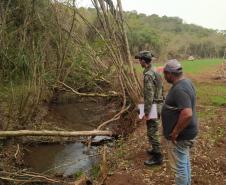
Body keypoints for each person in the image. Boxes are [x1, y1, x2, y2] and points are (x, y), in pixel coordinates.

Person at [161, 59, 198, 185]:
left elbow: (187, 113)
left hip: (181, 136)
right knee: (184, 161)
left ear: (170, 74)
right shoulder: (186, 82)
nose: (164, 76)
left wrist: (175, 132)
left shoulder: (179, 90)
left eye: (165, 74)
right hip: (187, 133)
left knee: (180, 168)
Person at [135, 51, 164, 166]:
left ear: (143, 60)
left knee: (152, 130)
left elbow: (149, 96)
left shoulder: (148, 75)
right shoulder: (155, 70)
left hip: (153, 106)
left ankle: (158, 156)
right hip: (158, 103)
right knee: (153, 128)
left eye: (140, 60)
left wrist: (146, 113)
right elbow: (161, 88)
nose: (139, 62)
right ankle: (155, 149)